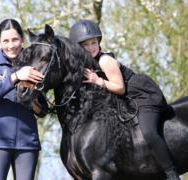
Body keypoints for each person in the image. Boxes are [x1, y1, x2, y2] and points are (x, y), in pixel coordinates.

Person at [69, 19, 180, 180]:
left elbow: (120, 88)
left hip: (140, 95)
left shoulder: (105, 60)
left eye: (93, 42)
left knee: (148, 132)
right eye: (85, 44)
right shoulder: (85, 66)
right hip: (124, 101)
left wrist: (98, 81)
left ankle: (171, 173)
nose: (91, 47)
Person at [0, 19, 48, 180]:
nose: (11, 45)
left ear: (23, 38)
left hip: (27, 144)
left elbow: (42, 110)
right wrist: (15, 77)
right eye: (6, 41)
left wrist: (33, 101)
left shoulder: (34, 64)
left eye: (15, 39)